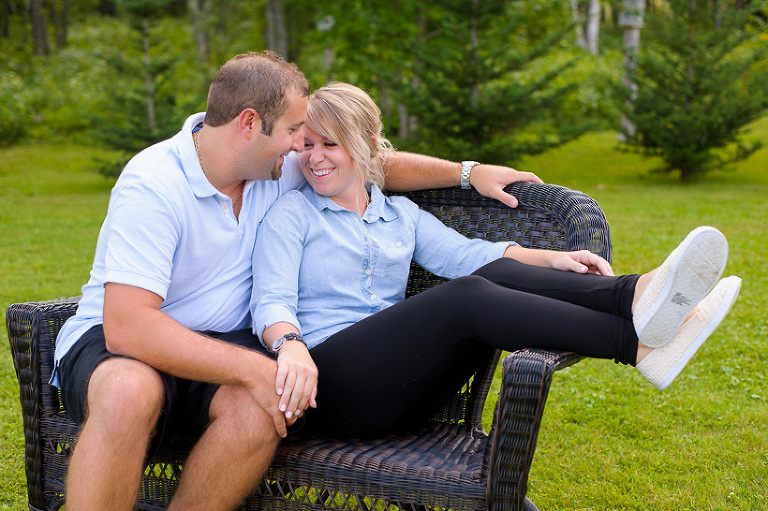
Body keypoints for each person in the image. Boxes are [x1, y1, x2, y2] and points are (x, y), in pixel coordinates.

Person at [51, 53, 541, 511]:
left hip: (226, 341)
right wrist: (252, 368)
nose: (299, 146)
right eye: (292, 131)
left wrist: (468, 173)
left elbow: (370, 162)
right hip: (125, 345)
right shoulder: (155, 183)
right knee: (129, 391)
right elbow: (128, 327)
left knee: (265, 408)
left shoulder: (272, 165)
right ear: (248, 124)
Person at [250, 82, 743, 439]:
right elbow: (270, 301)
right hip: (327, 388)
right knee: (466, 297)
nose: (313, 158)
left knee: (486, 274)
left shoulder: (399, 215)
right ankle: (638, 345)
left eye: (328, 144)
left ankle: (637, 293)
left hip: (400, 389)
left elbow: (470, 256)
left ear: (365, 148)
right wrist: (290, 344)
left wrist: (551, 259)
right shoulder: (291, 214)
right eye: (306, 145)